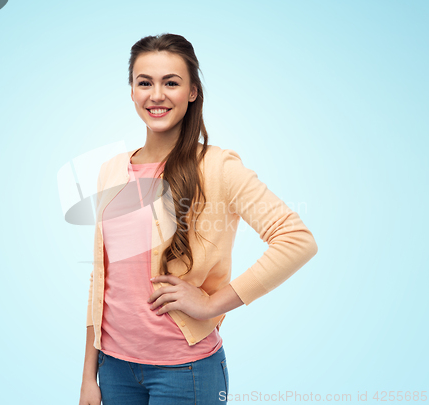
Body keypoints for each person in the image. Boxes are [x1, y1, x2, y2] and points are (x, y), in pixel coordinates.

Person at [79, 33, 318, 405]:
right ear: (131, 91)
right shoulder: (111, 170)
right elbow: (102, 278)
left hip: (186, 373)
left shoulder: (218, 167)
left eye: (171, 83)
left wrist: (211, 304)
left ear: (192, 91)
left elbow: (296, 239)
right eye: (145, 83)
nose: (156, 95)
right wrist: (88, 376)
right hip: (113, 370)